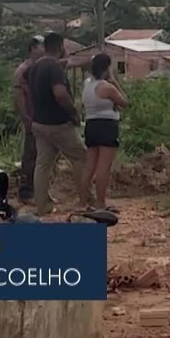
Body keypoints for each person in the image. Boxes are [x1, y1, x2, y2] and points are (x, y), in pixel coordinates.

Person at [27, 32, 92, 215]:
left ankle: (42, 206)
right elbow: (60, 94)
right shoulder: (54, 68)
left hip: (39, 123)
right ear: (61, 46)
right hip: (59, 124)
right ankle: (85, 200)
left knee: (43, 164)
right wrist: (73, 112)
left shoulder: (35, 67)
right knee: (80, 158)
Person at [82, 53, 127, 212]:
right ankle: (101, 203)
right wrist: (114, 80)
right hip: (107, 126)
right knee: (103, 167)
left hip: (90, 125)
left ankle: (84, 201)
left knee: (89, 167)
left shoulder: (87, 84)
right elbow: (124, 102)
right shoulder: (107, 87)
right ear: (107, 68)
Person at [13, 36, 43, 204]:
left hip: (40, 119)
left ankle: (39, 190)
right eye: (41, 46)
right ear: (33, 48)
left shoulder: (38, 68)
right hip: (31, 118)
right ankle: (26, 192)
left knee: (42, 156)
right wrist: (25, 117)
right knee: (31, 155)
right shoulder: (23, 69)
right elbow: (18, 94)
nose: (44, 49)